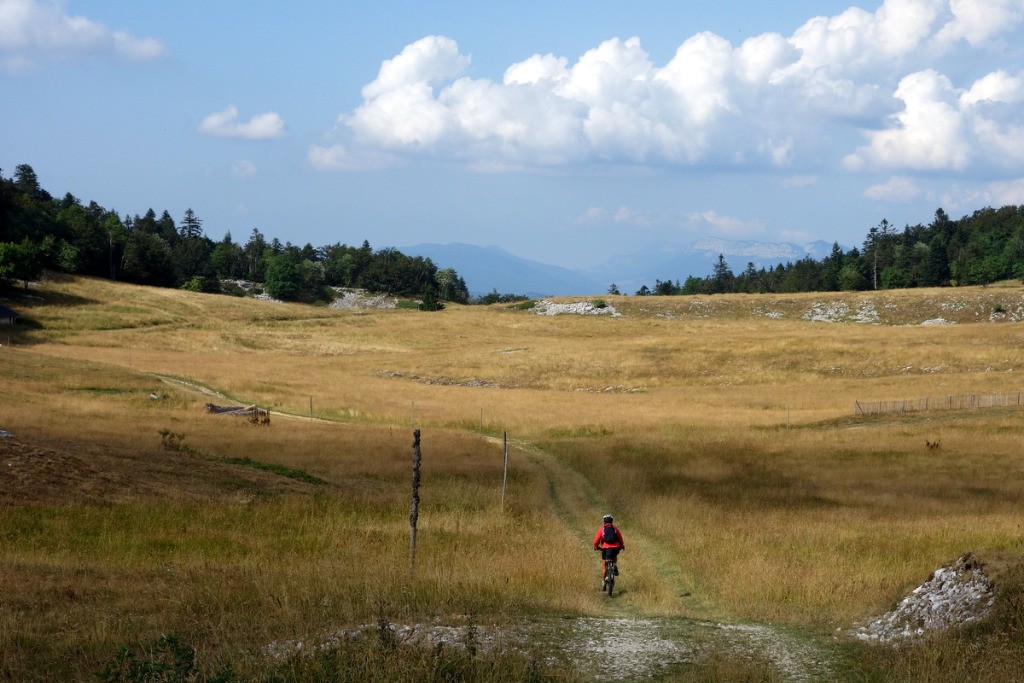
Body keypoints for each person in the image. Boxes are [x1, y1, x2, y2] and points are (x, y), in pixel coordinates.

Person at [593, 514, 625, 589]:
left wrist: (595, 546)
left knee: (605, 565)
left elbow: (597, 540)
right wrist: (622, 545)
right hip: (615, 548)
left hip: (605, 548)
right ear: (611, 521)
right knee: (614, 557)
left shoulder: (602, 529)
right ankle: (614, 566)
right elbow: (620, 538)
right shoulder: (615, 528)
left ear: (604, 521)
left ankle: (603, 584)